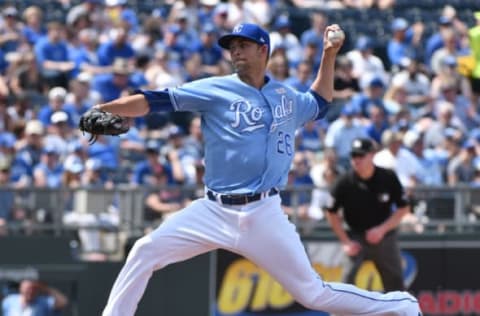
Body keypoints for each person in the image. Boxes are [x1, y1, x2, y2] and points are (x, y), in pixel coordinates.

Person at [90, 23, 421, 316]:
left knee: (313, 293)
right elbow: (152, 100)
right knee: (145, 250)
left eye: (242, 45)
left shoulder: (285, 96)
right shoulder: (214, 88)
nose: (235, 51)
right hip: (213, 211)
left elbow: (319, 103)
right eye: (232, 47)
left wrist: (329, 54)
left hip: (264, 211)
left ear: (263, 50)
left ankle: (399, 305)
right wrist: (103, 108)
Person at [325, 137, 410, 292]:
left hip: (384, 237)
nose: (356, 160)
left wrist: (382, 230)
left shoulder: (388, 177)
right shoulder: (344, 182)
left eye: (361, 155)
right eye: (353, 156)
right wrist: (345, 242)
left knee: (396, 285)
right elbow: (331, 213)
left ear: (372, 155)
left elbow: (403, 208)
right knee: (345, 283)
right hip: (355, 236)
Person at [2, 279, 68, 315]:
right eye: (28, 289)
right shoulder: (9, 300)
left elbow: (63, 302)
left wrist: (45, 288)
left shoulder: (43, 302)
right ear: (21, 288)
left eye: (34, 289)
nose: (31, 292)